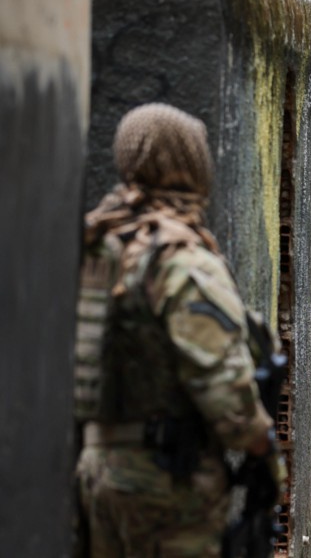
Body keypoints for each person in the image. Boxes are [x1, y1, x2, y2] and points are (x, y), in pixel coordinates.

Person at [75, 103, 286, 558]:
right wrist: (264, 453)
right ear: (191, 164)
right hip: (166, 486)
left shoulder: (94, 245)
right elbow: (226, 392)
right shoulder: (180, 259)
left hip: (94, 474)